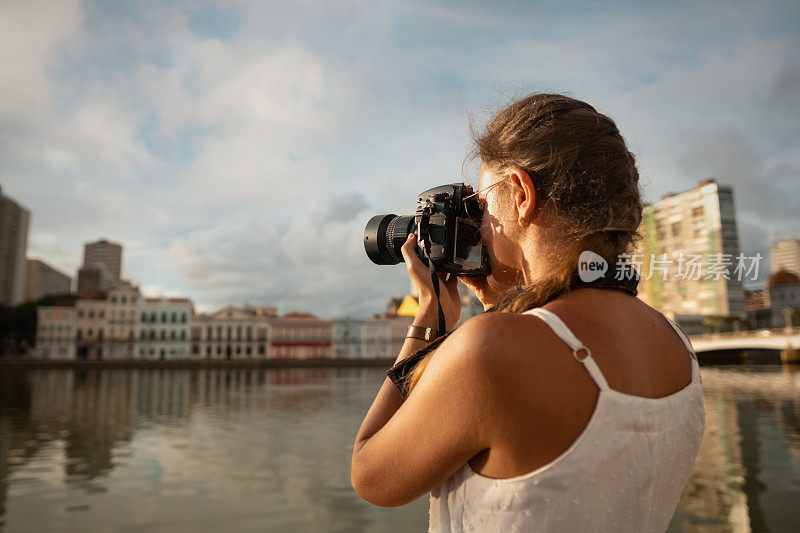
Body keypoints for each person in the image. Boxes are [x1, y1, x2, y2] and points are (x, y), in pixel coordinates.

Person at [351, 94, 706, 532]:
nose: (479, 223)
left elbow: (370, 475)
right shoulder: (676, 344)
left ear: (521, 193)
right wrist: (495, 307)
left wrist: (428, 318)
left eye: (481, 203)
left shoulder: (490, 349)